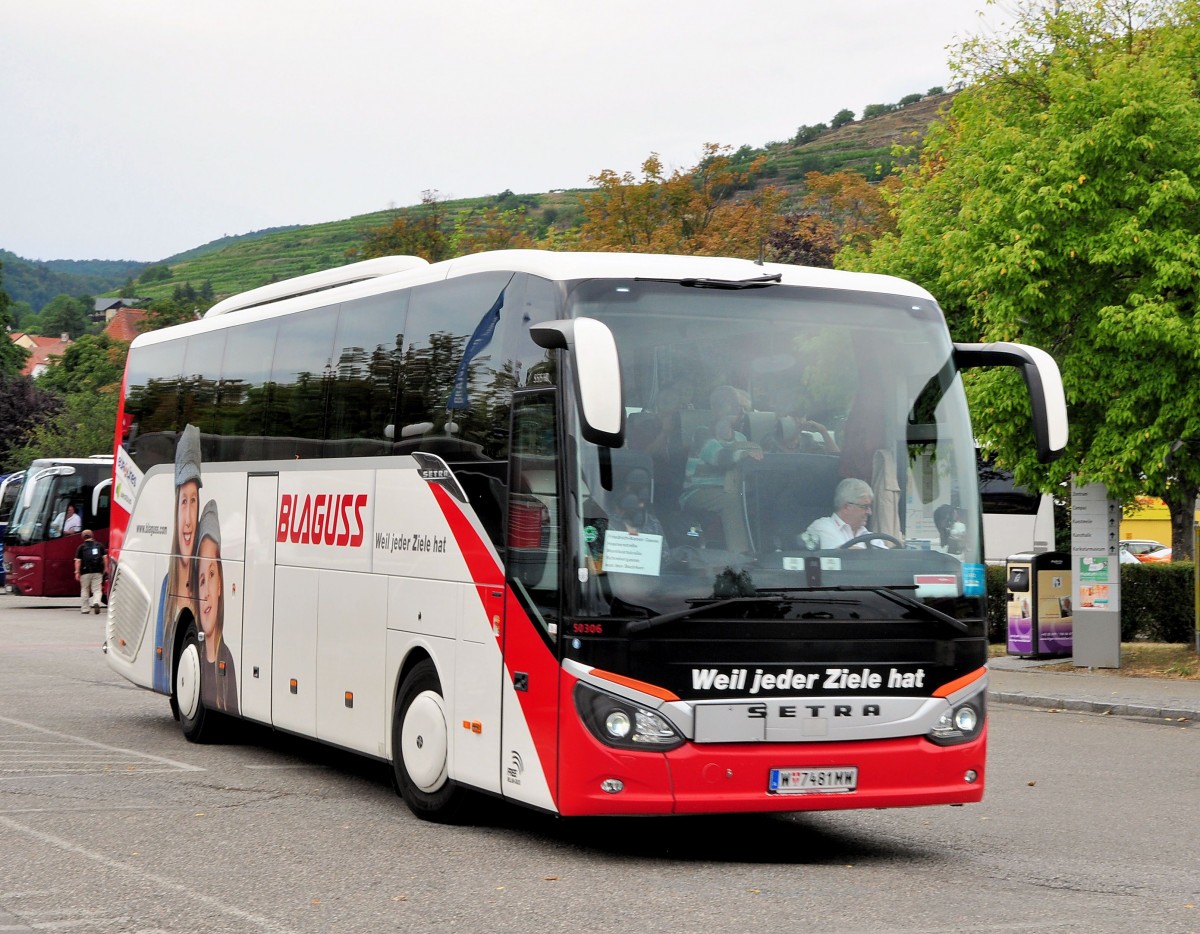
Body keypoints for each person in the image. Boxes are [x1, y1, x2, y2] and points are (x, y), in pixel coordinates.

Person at [679, 385, 763, 554]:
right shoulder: (702, 433)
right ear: (714, 409)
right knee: (731, 500)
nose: (737, 412)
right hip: (697, 492)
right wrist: (746, 454)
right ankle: (740, 555)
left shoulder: (741, 438)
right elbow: (719, 458)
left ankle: (765, 550)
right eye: (729, 407)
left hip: (730, 489)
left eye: (738, 408)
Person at [154, 423, 202, 693]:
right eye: (183, 501)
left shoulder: (205, 578)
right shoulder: (166, 588)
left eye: (193, 501)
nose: (187, 518)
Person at [195, 500, 238, 714]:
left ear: (220, 583)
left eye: (211, 575)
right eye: (201, 580)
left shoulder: (227, 658)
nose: (207, 593)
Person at [804, 477, 888, 549]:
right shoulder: (822, 527)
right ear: (846, 507)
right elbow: (842, 555)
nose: (870, 512)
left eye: (870, 507)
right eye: (865, 507)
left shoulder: (873, 538)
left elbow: (888, 559)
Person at [73, 529, 108, 615]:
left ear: (82, 537)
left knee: (85, 589)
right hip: (98, 571)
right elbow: (105, 558)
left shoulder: (81, 547)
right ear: (92, 536)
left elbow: (78, 561)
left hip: (85, 572)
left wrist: (77, 572)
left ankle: (85, 609)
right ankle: (96, 602)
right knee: (97, 589)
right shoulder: (99, 546)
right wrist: (105, 568)